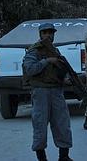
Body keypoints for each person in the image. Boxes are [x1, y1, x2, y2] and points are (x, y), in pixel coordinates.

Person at [22, 23, 73, 161]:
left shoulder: (54, 51)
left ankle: (64, 156)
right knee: (40, 125)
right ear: (40, 34)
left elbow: (59, 70)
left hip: (56, 90)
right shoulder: (35, 51)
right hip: (41, 91)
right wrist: (47, 61)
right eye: (45, 33)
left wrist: (65, 79)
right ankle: (41, 158)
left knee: (62, 124)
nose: (48, 35)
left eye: (51, 33)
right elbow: (30, 69)